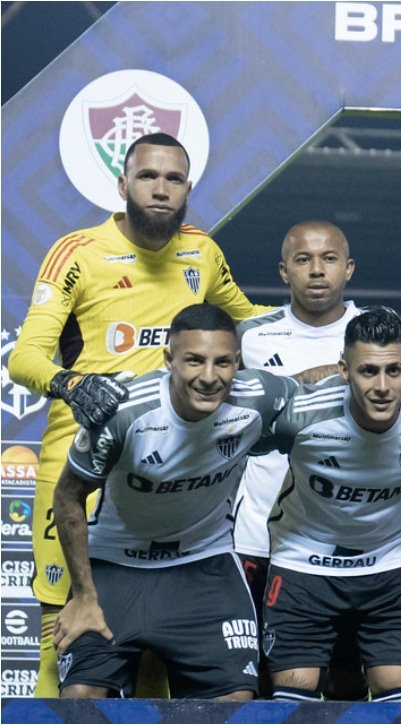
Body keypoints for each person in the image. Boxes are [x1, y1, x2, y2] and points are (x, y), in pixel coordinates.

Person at [9, 132, 269, 697]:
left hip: (162, 469)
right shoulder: (78, 252)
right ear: (122, 184)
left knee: (159, 639)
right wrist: (72, 384)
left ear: (188, 190)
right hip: (78, 466)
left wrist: (341, 323)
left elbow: (250, 323)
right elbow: (25, 357)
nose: (160, 188)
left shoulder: (202, 251)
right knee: (68, 625)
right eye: (148, 176)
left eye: (173, 179)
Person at [50, 304, 295, 699]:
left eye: (223, 363)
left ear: (238, 363)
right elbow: (66, 497)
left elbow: (323, 400)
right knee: (79, 701)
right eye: (194, 361)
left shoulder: (261, 398)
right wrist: (83, 596)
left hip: (204, 565)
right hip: (115, 567)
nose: (209, 377)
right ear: (169, 359)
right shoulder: (124, 412)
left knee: (236, 704)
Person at [258, 306, 401, 703]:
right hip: (303, 567)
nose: (381, 386)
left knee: (399, 696)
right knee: (296, 698)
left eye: (393, 371)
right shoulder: (300, 416)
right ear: (343, 371)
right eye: (367, 371)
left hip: (392, 571)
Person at [232, 220, 361, 697]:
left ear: (348, 269)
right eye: (303, 260)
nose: (316, 270)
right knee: (265, 683)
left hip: (348, 542)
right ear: (283, 271)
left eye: (329, 259)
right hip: (259, 537)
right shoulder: (251, 337)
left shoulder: (377, 331)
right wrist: (316, 381)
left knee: (348, 684)